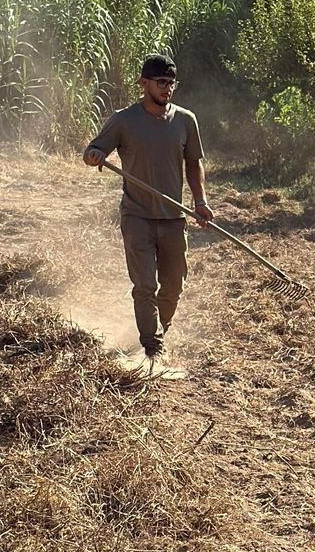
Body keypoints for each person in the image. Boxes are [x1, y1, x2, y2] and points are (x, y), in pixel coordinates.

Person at [83, 56, 216, 363]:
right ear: (144, 84)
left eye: (171, 83)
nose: (167, 89)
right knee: (144, 285)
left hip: (173, 217)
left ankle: (158, 330)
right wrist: (94, 155)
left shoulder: (185, 120)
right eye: (161, 83)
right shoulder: (124, 120)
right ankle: (153, 346)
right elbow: (94, 150)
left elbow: (193, 164)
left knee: (173, 285)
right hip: (137, 216)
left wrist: (200, 202)